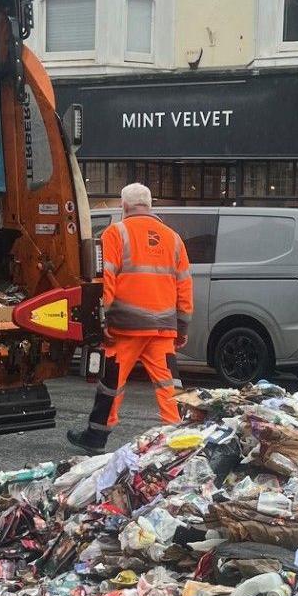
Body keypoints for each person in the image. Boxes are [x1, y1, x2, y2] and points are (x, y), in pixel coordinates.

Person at [67, 183, 193, 453]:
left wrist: (104, 321)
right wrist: (181, 327)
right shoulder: (173, 238)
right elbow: (184, 286)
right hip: (162, 328)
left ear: (124, 206)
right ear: (150, 205)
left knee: (112, 383)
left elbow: (106, 280)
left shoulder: (117, 233)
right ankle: (181, 441)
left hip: (125, 327)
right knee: (169, 385)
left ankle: (96, 437)